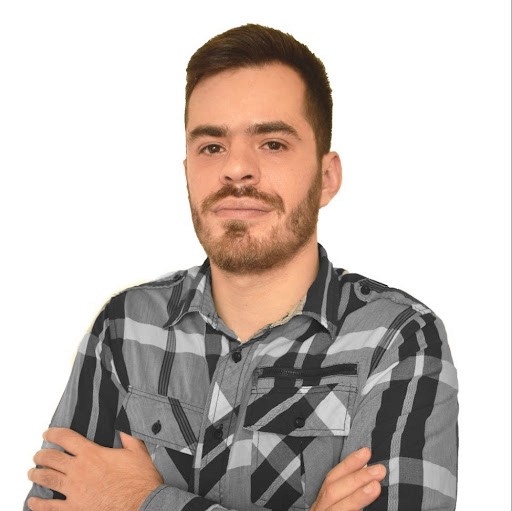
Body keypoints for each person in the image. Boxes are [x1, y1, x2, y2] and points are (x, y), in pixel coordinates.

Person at [24, 24, 458, 511]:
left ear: (326, 177)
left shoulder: (397, 338)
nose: (236, 169)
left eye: (272, 143)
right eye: (212, 147)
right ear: (188, 173)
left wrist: (139, 499)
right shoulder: (125, 328)